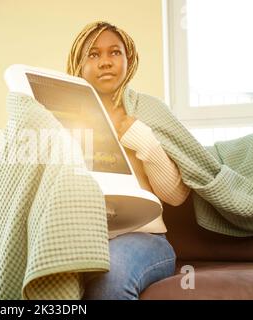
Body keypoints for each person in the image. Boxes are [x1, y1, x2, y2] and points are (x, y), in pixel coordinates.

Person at [66, 21, 191, 299]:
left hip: (146, 239)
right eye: (93, 54)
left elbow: (177, 195)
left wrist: (141, 138)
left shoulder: (149, 111)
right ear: (79, 64)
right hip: (85, 237)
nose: (106, 62)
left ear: (128, 59)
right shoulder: (63, 120)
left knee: (112, 272)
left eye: (115, 52)